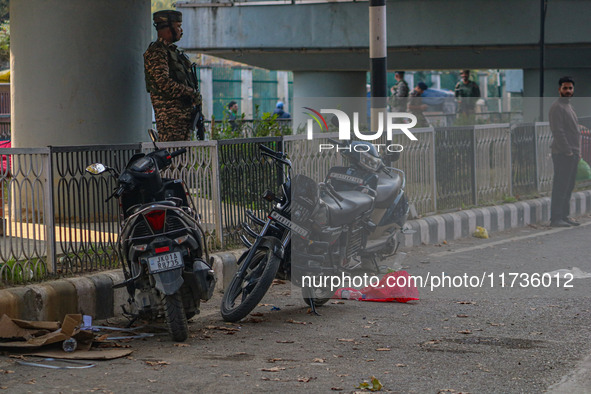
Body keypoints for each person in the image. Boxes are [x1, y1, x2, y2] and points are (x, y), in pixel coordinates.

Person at [144, 10, 204, 141]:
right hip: (170, 117)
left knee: (182, 157)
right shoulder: (157, 52)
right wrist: (190, 92)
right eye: (178, 26)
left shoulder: (174, 52)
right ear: (167, 28)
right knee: (174, 155)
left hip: (183, 117)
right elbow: (162, 82)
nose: (181, 30)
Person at [549, 76, 581, 227]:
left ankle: (564, 215)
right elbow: (558, 131)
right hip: (563, 153)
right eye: (565, 88)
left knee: (568, 186)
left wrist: (577, 152)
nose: (568, 91)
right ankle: (556, 218)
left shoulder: (569, 106)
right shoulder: (557, 107)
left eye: (570, 88)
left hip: (573, 153)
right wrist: (568, 151)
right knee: (561, 186)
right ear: (559, 89)